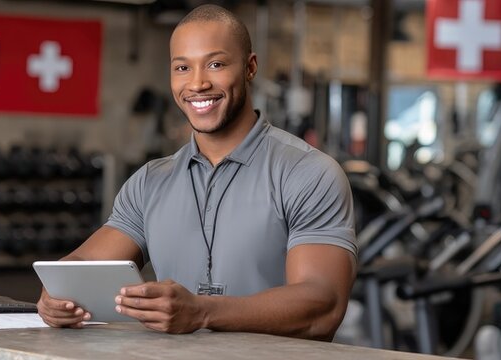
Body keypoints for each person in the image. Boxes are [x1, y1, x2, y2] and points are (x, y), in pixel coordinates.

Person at [37, 4, 356, 340]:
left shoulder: (308, 174)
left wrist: (203, 312)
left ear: (250, 68)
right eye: (182, 67)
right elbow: (81, 265)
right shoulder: (150, 181)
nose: (198, 83)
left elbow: (323, 304)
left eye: (216, 64)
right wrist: (55, 296)